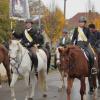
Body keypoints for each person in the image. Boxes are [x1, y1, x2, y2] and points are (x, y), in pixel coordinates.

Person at [71, 16, 97, 93]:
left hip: (85, 45)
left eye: (82, 22)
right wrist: (71, 44)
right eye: (79, 22)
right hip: (77, 45)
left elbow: (90, 38)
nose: (80, 23)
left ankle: (92, 68)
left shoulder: (87, 29)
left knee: (91, 54)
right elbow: (73, 38)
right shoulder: (76, 29)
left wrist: (86, 43)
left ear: (84, 23)